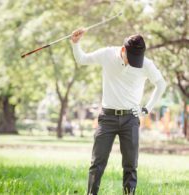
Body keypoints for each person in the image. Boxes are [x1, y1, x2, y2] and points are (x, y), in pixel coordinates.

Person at [70, 29, 167, 195]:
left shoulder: (146, 64)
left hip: (130, 119)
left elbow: (161, 84)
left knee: (130, 165)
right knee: (97, 163)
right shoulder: (107, 54)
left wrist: (147, 108)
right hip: (107, 118)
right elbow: (82, 59)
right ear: (123, 50)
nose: (134, 63)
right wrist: (76, 43)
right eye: (131, 59)